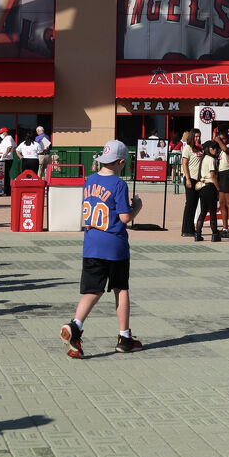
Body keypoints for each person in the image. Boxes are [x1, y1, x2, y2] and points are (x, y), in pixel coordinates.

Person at [61, 141, 143, 357]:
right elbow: (124, 217)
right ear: (122, 162)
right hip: (114, 244)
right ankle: (124, 336)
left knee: (92, 290)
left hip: (91, 243)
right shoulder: (119, 184)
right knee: (120, 288)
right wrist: (137, 207)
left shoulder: (90, 180)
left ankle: (76, 326)